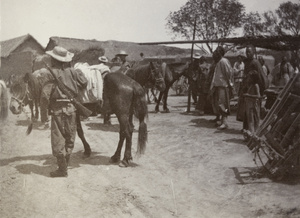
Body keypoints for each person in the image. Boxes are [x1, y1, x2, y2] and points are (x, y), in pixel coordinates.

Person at [46, 46, 88, 177]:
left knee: (58, 139)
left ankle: (62, 169)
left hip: (57, 110)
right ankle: (65, 164)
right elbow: (84, 83)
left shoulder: (50, 72)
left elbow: (44, 95)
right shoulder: (73, 71)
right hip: (72, 108)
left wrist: (44, 113)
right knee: (70, 137)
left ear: (54, 59)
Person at [236, 45, 268, 129]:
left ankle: (254, 129)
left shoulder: (255, 62)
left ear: (253, 52)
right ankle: (247, 128)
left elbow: (261, 77)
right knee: (247, 110)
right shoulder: (246, 62)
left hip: (254, 89)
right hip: (247, 88)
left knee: (254, 111)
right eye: (247, 52)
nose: (248, 53)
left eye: (249, 51)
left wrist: (261, 90)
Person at [209, 46, 234, 130]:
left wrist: (230, 85)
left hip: (223, 86)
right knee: (219, 104)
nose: (215, 53)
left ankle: (225, 123)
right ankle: (221, 120)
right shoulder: (218, 62)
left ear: (220, 53)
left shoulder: (223, 61)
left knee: (223, 104)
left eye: (217, 51)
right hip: (218, 86)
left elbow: (228, 73)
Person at [242, 70, 262, 141]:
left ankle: (253, 136)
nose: (248, 79)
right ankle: (250, 135)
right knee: (249, 120)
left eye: (250, 78)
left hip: (253, 105)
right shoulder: (250, 85)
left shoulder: (256, 85)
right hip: (249, 105)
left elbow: (258, 96)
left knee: (252, 121)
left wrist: (248, 95)